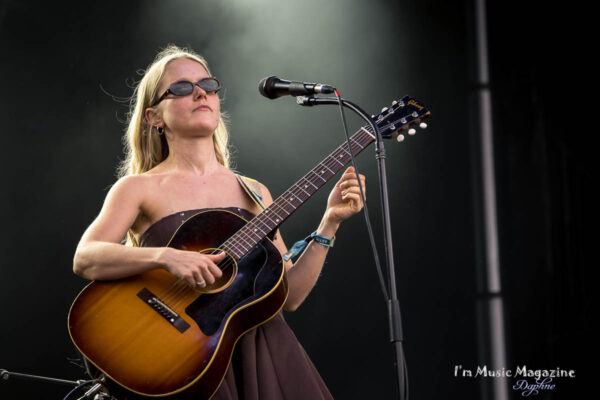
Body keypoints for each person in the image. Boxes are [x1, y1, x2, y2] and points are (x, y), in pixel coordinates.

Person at [73, 44, 365, 399]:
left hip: (263, 355)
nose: (200, 93)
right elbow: (85, 257)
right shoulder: (137, 188)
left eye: (208, 85)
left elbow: (289, 296)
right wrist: (166, 257)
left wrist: (329, 223)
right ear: (154, 117)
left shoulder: (255, 192)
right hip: (186, 357)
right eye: (182, 87)